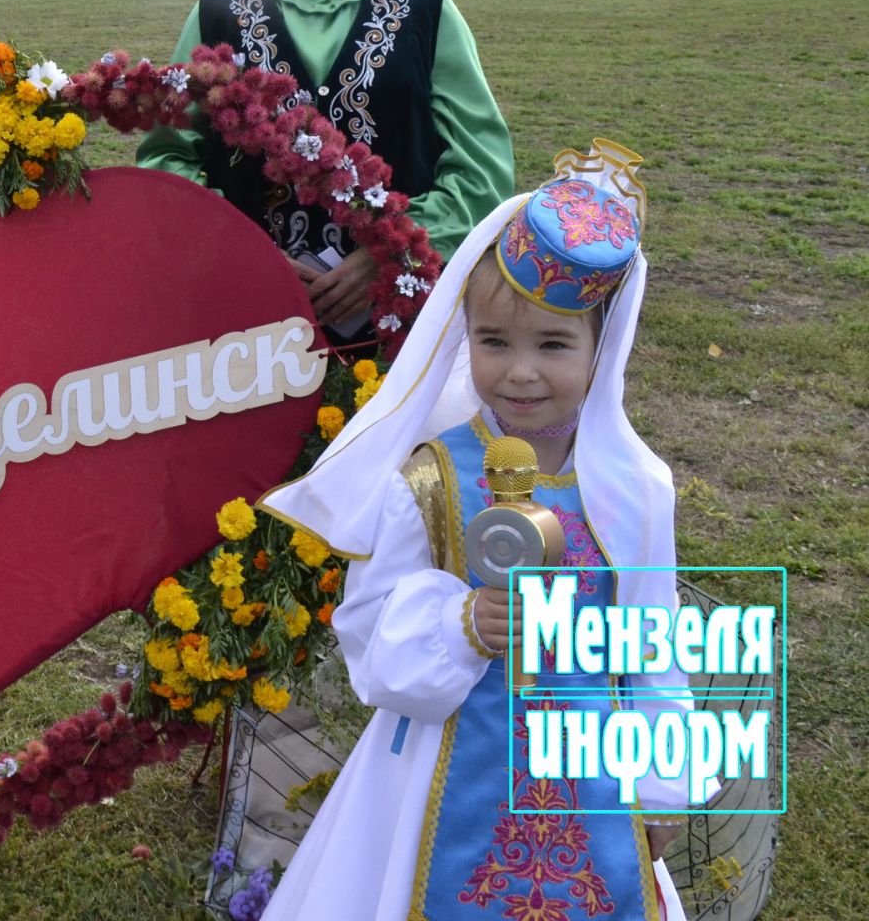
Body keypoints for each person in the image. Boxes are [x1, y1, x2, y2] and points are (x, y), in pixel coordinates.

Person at [257, 141, 693, 920]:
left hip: (595, 783)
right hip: (441, 771)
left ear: (605, 348)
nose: (519, 372)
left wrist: (660, 788)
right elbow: (368, 625)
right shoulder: (430, 479)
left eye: (553, 344)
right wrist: (459, 622)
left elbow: (653, 646)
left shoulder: (634, 490)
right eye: (494, 342)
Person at [140, 0, 511, 338]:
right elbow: (166, 160)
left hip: (396, 330)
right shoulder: (218, 8)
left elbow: (483, 173)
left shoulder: (428, 7)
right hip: (243, 328)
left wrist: (391, 250)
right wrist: (241, 253)